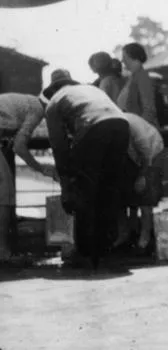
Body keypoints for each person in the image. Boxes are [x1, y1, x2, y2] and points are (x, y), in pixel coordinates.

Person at [43, 69, 130, 269]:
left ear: (53, 89)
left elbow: (59, 146)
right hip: (121, 125)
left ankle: (85, 253)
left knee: (84, 192)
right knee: (109, 190)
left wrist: (66, 181)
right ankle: (106, 250)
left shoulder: (54, 102)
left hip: (93, 128)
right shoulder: (91, 90)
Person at [0, 93, 58, 262]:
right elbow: (19, 147)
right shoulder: (37, 109)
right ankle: (3, 251)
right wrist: (43, 169)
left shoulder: (27, 102)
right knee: (5, 192)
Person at [120, 112, 164, 254]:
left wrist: (142, 176)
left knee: (145, 196)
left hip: (151, 150)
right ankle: (128, 233)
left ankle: (145, 239)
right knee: (125, 194)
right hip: (131, 155)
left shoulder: (131, 127)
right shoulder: (108, 130)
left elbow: (146, 154)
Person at [117, 43, 157, 126]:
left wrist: (141, 127)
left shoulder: (142, 77)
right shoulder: (132, 78)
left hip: (140, 128)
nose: (122, 60)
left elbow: (149, 109)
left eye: (125, 57)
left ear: (134, 57)